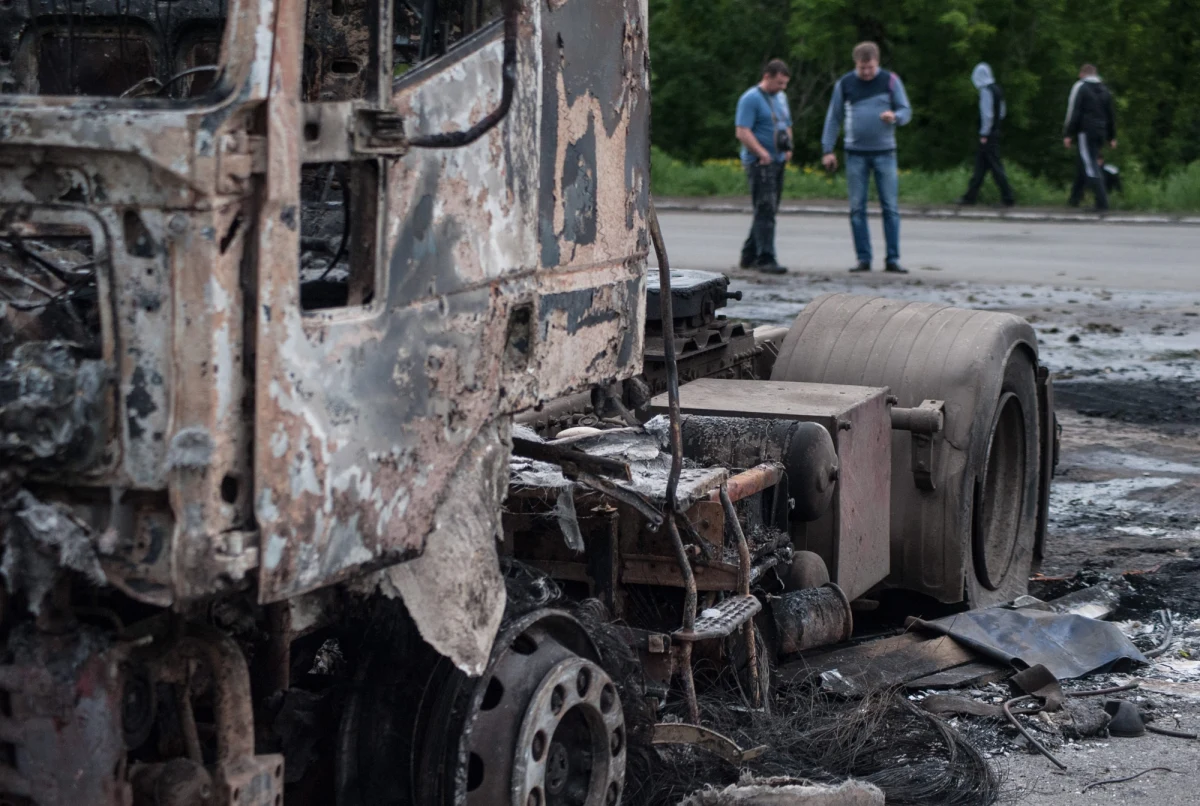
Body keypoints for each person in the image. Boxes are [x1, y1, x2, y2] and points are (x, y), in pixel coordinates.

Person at [820, 42, 912, 273]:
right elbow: (834, 117)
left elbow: (906, 111)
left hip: (885, 153)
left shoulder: (890, 81)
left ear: (877, 62)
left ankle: (893, 259)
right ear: (856, 64)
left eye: (870, 68)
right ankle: (863, 258)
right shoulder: (845, 84)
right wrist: (827, 149)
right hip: (855, 154)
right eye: (862, 68)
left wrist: (895, 116)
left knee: (890, 207)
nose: (867, 73)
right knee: (857, 208)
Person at [735, 59, 794, 274]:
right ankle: (765, 257)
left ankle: (749, 255)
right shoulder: (750, 99)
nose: (782, 87)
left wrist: (788, 146)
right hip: (760, 163)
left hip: (778, 160)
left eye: (785, 84)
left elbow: (786, 124)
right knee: (765, 209)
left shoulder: (781, 97)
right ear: (767, 76)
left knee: (767, 208)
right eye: (779, 83)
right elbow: (742, 131)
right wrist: (761, 153)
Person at [956, 62, 1015, 206]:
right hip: (995, 132)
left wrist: (984, 133)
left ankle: (1008, 197)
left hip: (988, 135)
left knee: (995, 166)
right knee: (980, 167)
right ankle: (970, 196)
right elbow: (1002, 113)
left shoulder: (986, 91)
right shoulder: (997, 89)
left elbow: (987, 115)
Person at [1063, 63, 1117, 212]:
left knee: (1090, 165)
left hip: (1086, 131)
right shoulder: (1105, 90)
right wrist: (1111, 136)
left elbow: (1073, 111)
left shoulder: (1080, 87)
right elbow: (1111, 115)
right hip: (1101, 131)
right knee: (1083, 163)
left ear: (1082, 74)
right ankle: (1074, 199)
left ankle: (1102, 203)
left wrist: (1068, 133)